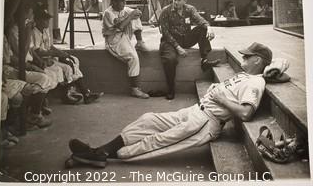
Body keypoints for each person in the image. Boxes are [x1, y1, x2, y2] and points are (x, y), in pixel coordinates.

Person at [68, 42, 272, 168]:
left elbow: (246, 113)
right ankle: (98, 152)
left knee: (158, 140)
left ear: (258, 60)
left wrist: (222, 100)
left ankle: (98, 154)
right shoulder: (246, 75)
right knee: (148, 120)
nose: (243, 57)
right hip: (196, 111)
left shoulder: (256, 82)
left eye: (247, 56)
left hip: (206, 122)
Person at [31, 5, 101, 104]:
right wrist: (57, 54)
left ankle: (82, 93)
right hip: (43, 60)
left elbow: (50, 46)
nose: (47, 21)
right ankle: (68, 95)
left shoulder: (46, 31)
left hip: (51, 57)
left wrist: (63, 53)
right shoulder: (34, 32)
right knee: (67, 68)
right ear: (37, 20)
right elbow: (38, 51)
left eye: (47, 19)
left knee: (73, 60)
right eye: (44, 19)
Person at [159, 0, 220, 100]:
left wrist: (209, 27)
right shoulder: (165, 11)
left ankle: (204, 60)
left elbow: (199, 19)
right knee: (170, 59)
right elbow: (165, 32)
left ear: (185, 0)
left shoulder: (189, 9)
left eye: (178, 0)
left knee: (202, 29)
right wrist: (178, 48)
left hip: (185, 38)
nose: (175, 2)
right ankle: (171, 89)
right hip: (170, 41)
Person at [102, 0, 149, 99]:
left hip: (124, 36)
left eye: (124, 1)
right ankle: (135, 89)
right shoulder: (108, 13)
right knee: (133, 58)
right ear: (113, 2)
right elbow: (119, 27)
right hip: (113, 41)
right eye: (121, 1)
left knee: (134, 16)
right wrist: (130, 16)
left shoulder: (124, 9)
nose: (124, 4)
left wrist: (135, 13)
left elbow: (136, 12)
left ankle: (140, 42)